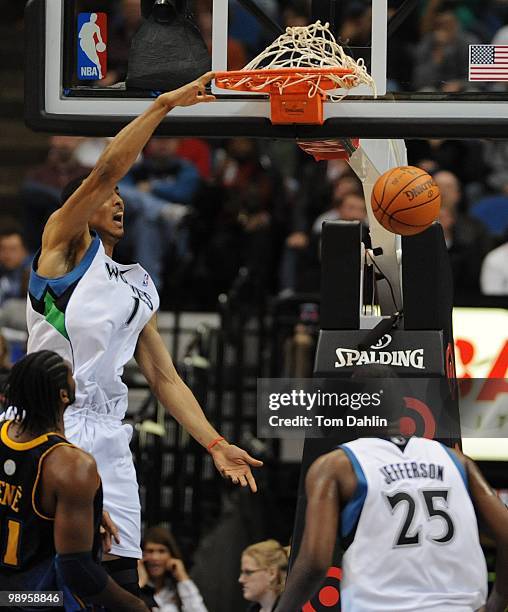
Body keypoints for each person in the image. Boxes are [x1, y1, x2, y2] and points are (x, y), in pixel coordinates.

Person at [26, 73, 263, 594]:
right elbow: (109, 167)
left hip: (110, 435)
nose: (119, 201)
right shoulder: (61, 251)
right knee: (45, 581)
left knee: (121, 579)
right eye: (107, 196)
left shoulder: (138, 284)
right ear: (80, 207)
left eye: (120, 198)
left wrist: (215, 443)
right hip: (51, 426)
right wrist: (165, 104)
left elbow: (164, 376)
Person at [275, 377, 508, 612]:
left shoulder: (336, 466)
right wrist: (496, 603)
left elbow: (315, 563)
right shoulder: (454, 460)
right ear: (403, 408)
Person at [0, 350, 149, 611]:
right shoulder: (71, 466)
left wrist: (87, 508)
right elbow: (76, 568)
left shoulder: (5, 436)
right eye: (71, 374)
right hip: (33, 600)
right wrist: (136, 607)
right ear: (64, 396)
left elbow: (22, 500)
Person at [139, 526, 208, 612]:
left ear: (171, 555)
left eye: (161, 551)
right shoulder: (138, 587)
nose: (155, 557)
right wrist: (140, 583)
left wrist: (183, 578)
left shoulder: (176, 590)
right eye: (150, 551)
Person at [239, 540, 289, 612]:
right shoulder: (253, 609)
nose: (241, 579)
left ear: (272, 573)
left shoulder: (292, 608)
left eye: (248, 572)